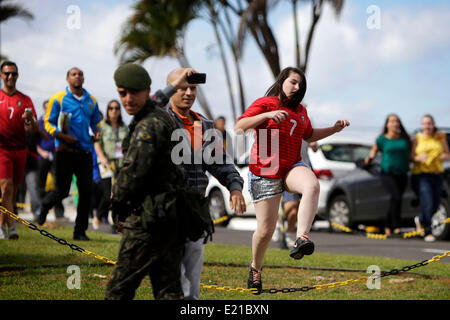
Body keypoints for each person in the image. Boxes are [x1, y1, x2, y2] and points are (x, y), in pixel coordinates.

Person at [234, 66, 349, 293]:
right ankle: (255, 268)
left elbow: (309, 134)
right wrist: (266, 116)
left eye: (301, 85)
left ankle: (301, 238)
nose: (297, 88)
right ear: (282, 81)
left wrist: (333, 130)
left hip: (290, 167)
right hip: (265, 171)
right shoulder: (266, 102)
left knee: (312, 185)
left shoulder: (301, 111)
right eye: (293, 82)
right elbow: (239, 127)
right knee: (265, 232)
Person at [105, 63, 199, 300]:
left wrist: (117, 208)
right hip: (170, 218)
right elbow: (155, 99)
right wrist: (173, 86)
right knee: (169, 291)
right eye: (122, 93)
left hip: (147, 220)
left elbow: (132, 175)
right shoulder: (154, 111)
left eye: (134, 92)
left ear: (146, 91)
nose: (128, 99)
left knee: (118, 290)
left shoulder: (148, 126)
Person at [166, 68, 246, 300]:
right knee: (171, 274)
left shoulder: (203, 125)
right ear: (171, 88)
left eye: (193, 88)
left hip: (195, 209)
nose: (189, 92)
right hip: (166, 209)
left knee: (192, 275)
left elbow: (221, 163)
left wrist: (235, 187)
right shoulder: (158, 119)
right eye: (182, 87)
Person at [37, 67, 102, 241]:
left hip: (85, 152)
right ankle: (44, 206)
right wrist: (62, 135)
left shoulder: (92, 101)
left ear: (84, 78)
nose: (77, 76)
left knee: (86, 192)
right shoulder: (58, 98)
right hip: (64, 152)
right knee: (62, 191)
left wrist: (97, 132)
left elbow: (97, 123)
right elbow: (48, 122)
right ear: (67, 79)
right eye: (74, 74)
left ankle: (80, 231)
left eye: (80, 74)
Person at [0, 61, 39, 239]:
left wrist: (30, 119)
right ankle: (12, 227)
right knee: (6, 187)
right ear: (1, 75)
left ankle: (2, 225)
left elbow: (34, 128)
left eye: (13, 74)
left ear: (17, 76)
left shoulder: (25, 99)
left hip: (20, 149)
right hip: (2, 149)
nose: (10, 77)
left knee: (13, 190)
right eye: (7, 73)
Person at [365, 114, 411, 236]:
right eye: (392, 121)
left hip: (402, 173)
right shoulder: (381, 139)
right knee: (395, 196)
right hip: (387, 173)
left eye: (397, 121)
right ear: (387, 124)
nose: (395, 123)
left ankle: (389, 225)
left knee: (398, 199)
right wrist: (369, 159)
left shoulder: (404, 139)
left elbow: (410, 155)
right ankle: (393, 226)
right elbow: (373, 152)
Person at [411, 114, 450, 242]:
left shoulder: (440, 137)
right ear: (421, 125)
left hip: (437, 174)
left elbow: (447, 154)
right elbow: (411, 157)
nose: (427, 126)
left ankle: (421, 219)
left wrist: (444, 157)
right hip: (422, 175)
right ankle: (428, 232)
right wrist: (418, 158)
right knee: (427, 202)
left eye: (429, 123)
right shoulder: (417, 138)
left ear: (433, 125)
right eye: (424, 123)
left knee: (436, 204)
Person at [93, 99, 128, 232]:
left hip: (121, 164)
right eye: (111, 108)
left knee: (119, 195)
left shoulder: (125, 127)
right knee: (108, 194)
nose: (114, 111)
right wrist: (102, 157)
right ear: (108, 110)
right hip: (106, 164)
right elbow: (96, 143)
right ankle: (99, 215)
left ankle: (116, 224)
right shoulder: (100, 126)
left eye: (117, 108)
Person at [281, 140, 319, 247]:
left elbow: (315, 147)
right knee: (292, 205)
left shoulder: (304, 127)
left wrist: (314, 144)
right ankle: (277, 222)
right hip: (290, 172)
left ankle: (294, 235)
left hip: (304, 170)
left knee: (297, 208)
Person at [36, 100, 65, 221]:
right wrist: (42, 152)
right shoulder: (39, 122)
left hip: (57, 156)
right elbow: (34, 142)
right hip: (43, 156)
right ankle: (39, 210)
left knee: (59, 184)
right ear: (43, 109)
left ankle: (59, 213)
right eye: (47, 108)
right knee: (40, 185)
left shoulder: (58, 122)